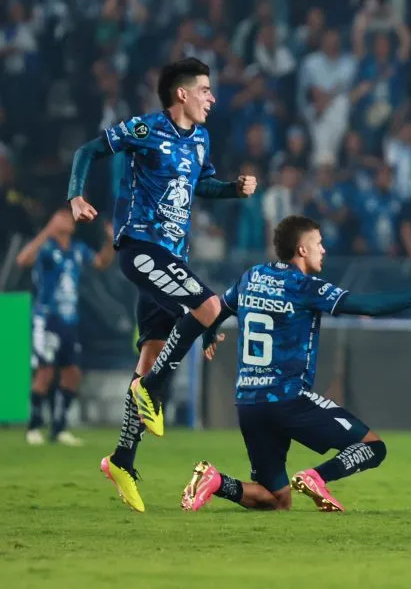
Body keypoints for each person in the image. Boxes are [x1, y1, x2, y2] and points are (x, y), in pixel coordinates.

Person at [179, 215, 411, 512]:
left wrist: (209, 334)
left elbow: (218, 307)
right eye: (318, 243)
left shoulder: (251, 276)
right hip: (289, 399)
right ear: (302, 250)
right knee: (373, 447)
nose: (324, 250)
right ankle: (316, 477)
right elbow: (371, 307)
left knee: (277, 500)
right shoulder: (305, 286)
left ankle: (215, 481)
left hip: (249, 403)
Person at [66, 57, 258, 512]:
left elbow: (201, 185)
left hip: (172, 258)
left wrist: (232, 188)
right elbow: (87, 151)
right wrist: (76, 194)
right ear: (182, 94)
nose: (213, 97)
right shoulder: (146, 129)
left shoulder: (201, 139)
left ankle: (121, 460)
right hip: (140, 248)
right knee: (211, 308)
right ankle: (149, 392)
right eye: (207, 90)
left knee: (152, 351)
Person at [16, 209, 114, 446]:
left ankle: (59, 427)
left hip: (69, 320)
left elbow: (100, 263)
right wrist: (46, 231)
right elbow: (22, 260)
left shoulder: (78, 249)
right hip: (46, 318)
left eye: (69, 218)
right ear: (53, 220)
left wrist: (111, 242)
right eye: (63, 217)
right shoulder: (46, 247)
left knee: (72, 373)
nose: (69, 221)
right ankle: (35, 426)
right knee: (45, 371)